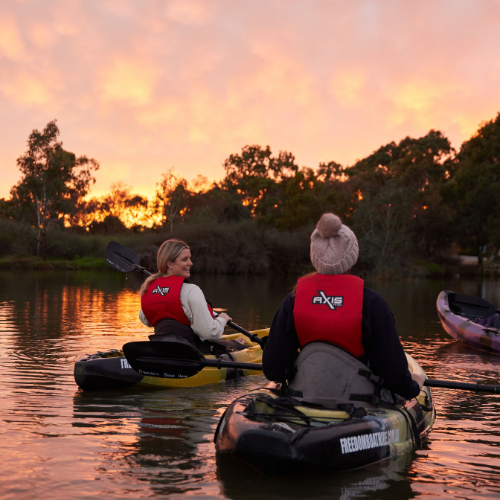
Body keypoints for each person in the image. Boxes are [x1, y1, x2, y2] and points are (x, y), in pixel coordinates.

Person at [262, 213, 426, 408]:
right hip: (359, 405)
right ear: (352, 258)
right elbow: (393, 373)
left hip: (303, 401)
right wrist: (413, 387)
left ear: (315, 257)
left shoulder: (293, 301)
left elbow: (274, 369)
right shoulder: (372, 303)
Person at [139, 239, 242, 352]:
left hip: (160, 349)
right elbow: (209, 333)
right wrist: (222, 320)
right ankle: (237, 345)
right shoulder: (191, 290)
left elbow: (146, 320)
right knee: (239, 346)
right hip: (190, 353)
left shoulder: (147, 289)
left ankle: (234, 344)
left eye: (190, 258)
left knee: (233, 343)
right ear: (169, 263)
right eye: (185, 259)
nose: (190, 263)